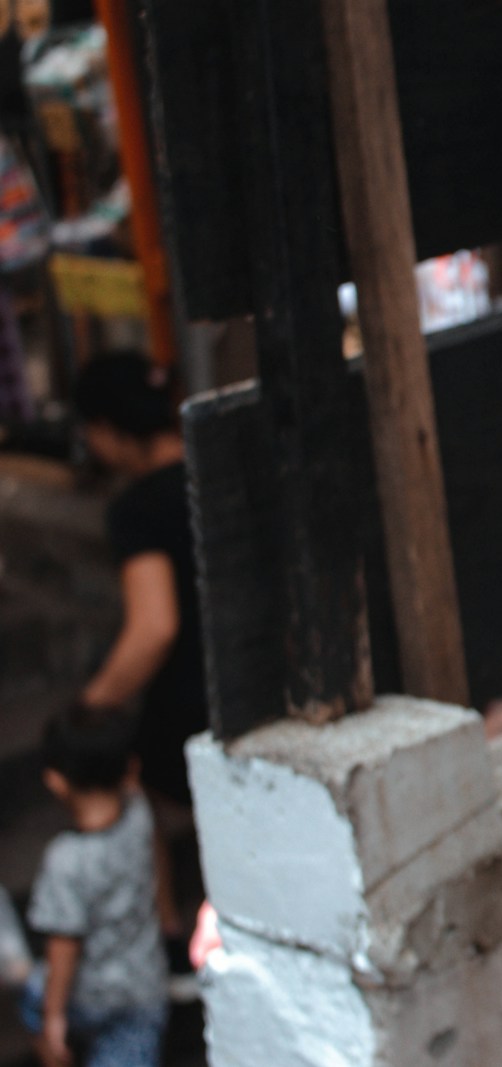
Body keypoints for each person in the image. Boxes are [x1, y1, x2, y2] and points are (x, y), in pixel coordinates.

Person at [73, 352, 206, 969]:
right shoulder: (220, 465)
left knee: (128, 774)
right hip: (265, 675)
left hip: (192, 699)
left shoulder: (138, 509)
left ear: (107, 428)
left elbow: (154, 628)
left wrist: (92, 703)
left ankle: (168, 934)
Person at [20, 704, 167, 1067]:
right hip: (145, 988)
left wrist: (54, 1016)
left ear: (56, 780)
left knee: (33, 992)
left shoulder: (66, 860)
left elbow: (64, 945)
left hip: (89, 997)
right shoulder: (140, 812)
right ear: (130, 768)